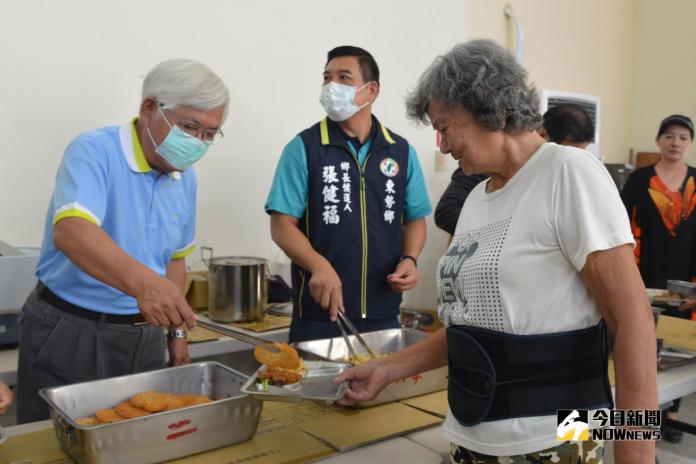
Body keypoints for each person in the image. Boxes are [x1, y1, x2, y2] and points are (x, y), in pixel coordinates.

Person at [336, 40, 657, 464]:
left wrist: (635, 455)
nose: (443, 145)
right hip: (472, 435)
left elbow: (632, 322)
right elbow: (473, 331)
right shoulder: (476, 200)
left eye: (446, 126)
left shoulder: (567, 172)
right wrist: (387, 369)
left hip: (557, 440)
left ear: (491, 108)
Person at [16, 59, 229, 424]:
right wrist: (144, 284)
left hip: (144, 338)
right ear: (150, 109)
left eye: (209, 134)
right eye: (190, 127)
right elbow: (71, 231)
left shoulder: (185, 179)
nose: (197, 143)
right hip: (71, 330)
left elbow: (174, 260)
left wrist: (176, 334)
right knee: (54, 443)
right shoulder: (96, 151)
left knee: (140, 439)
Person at [265, 46, 432, 343]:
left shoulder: (400, 151)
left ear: (371, 91)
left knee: (382, 389)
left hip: (384, 312)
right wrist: (319, 266)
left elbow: (416, 219)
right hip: (321, 315)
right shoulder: (304, 148)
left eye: (344, 78)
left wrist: (410, 259)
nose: (332, 87)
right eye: (327, 78)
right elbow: (281, 225)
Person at [620, 113, 695, 443]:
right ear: (658, 141)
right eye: (669, 136)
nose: (675, 143)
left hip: (688, 277)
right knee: (643, 344)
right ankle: (647, 412)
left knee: (680, 345)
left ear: (689, 143)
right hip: (646, 272)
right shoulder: (639, 179)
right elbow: (621, 224)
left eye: (682, 137)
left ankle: (673, 414)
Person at [434, 103, 595, 236]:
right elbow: (446, 211)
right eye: (566, 150)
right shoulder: (486, 164)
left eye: (581, 152)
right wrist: (504, 238)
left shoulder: (571, 171)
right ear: (543, 135)